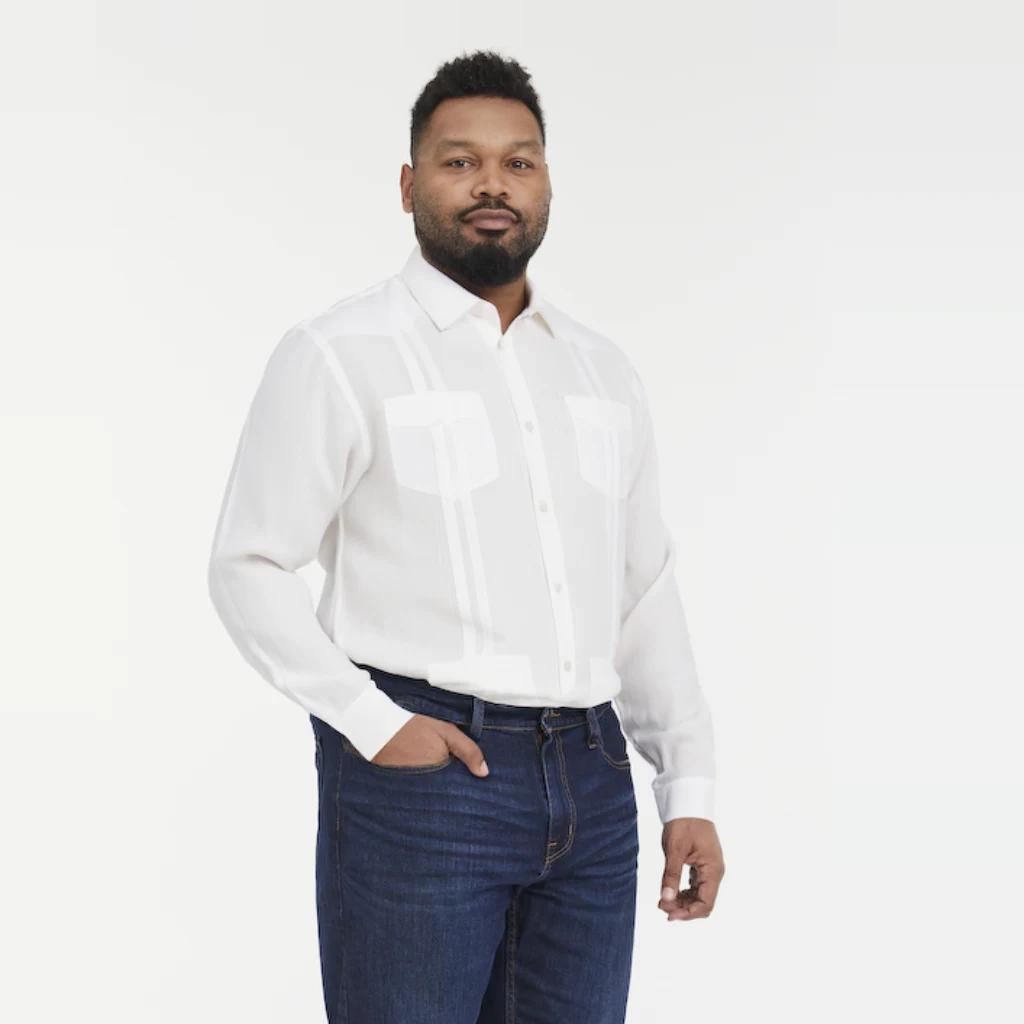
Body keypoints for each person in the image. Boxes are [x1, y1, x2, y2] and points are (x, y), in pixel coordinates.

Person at [207, 48, 724, 1024]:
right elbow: (249, 563)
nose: (493, 184)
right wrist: (371, 722)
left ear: (546, 184)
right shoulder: (339, 353)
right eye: (460, 161)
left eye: (518, 162)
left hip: (593, 778)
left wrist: (685, 784)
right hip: (424, 776)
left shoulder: (601, 373)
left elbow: (642, 589)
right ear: (409, 186)